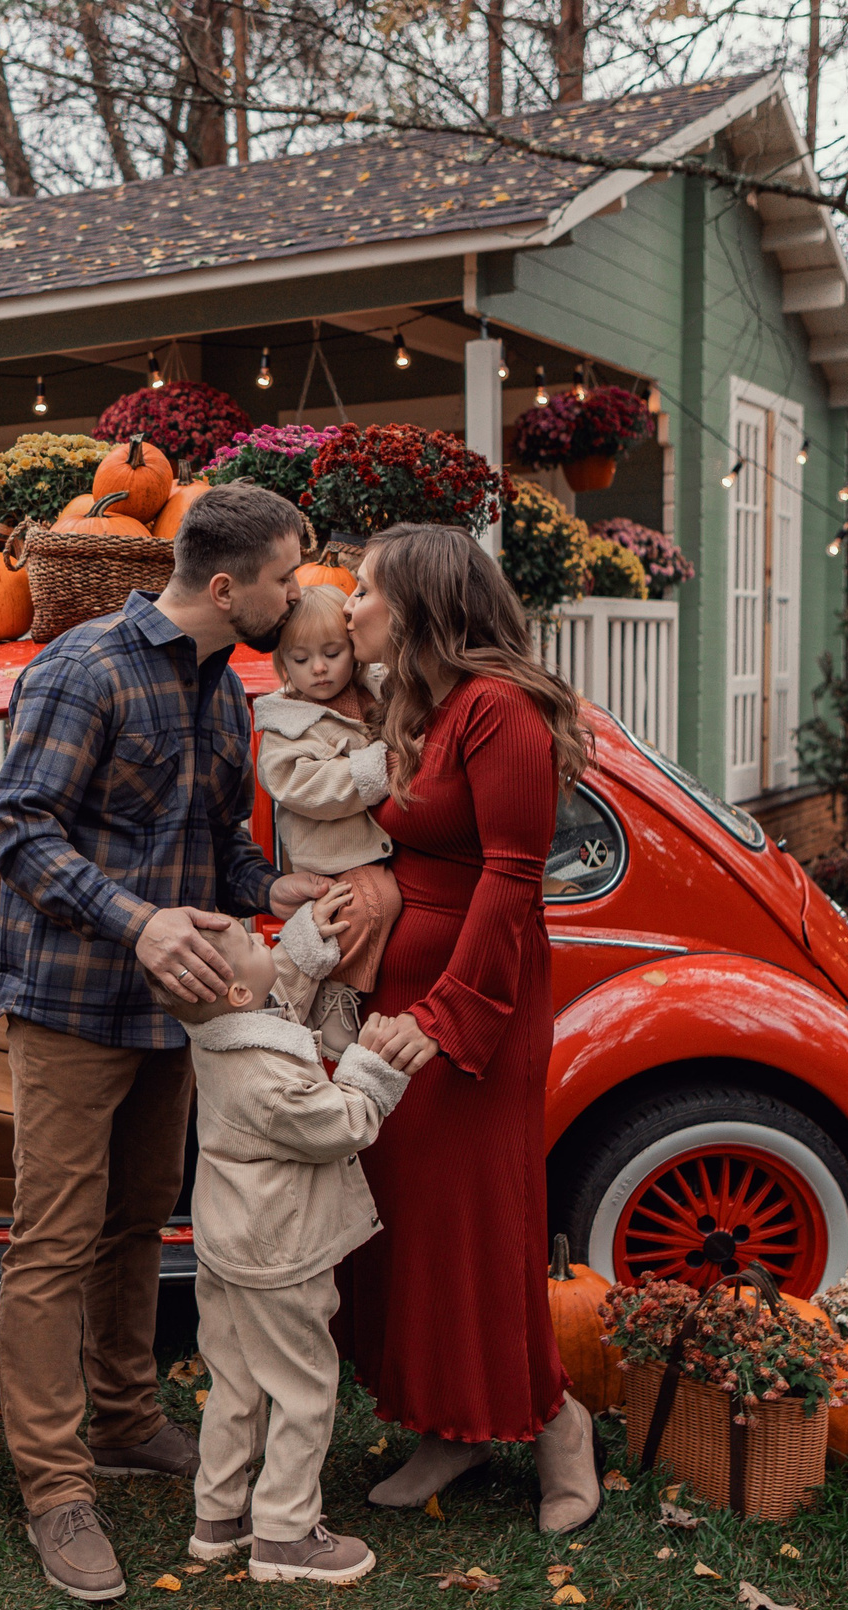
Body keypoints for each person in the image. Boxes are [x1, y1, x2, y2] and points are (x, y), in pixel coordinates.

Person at [0, 481, 331, 1602]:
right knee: (54, 1237)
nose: (301, 591)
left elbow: (218, 843)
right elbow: (19, 831)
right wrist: (137, 924)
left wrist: (281, 886)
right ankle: (53, 1482)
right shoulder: (82, 669)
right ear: (227, 585)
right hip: (74, 1000)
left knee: (138, 1220)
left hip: (180, 1015)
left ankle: (129, 1418)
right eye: (289, 574)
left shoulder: (222, 692)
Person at [337, 521, 604, 1534]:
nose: (349, 604)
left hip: (469, 1013)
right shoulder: (429, 707)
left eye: (363, 588)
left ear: (418, 606)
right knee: (411, 1228)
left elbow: (510, 875)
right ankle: (447, 1424)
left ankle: (554, 1422)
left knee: (478, 1232)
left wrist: (444, 1016)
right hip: (401, 1006)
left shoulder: (501, 711)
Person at [158, 897, 404, 1585]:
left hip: (226, 1242)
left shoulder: (220, 1029)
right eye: (256, 938)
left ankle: (221, 1515)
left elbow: (272, 1000)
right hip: (277, 1253)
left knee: (235, 1381)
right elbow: (339, 1121)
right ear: (237, 988)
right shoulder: (267, 1080)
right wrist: (372, 1070)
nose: (269, 941)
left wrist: (300, 950)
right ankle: (287, 1532)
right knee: (302, 1388)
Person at [253, 584, 404, 1058]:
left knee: (380, 899)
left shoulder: (376, 694)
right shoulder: (285, 725)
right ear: (282, 665)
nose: (318, 668)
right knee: (370, 904)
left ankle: (335, 992)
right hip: (330, 858)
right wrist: (379, 765)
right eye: (300, 659)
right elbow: (303, 786)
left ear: (355, 653)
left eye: (332, 653)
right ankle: (336, 996)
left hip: (370, 847)